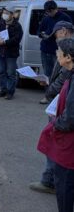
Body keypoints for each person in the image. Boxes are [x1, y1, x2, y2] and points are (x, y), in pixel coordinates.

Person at [30, 21, 74, 194]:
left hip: (62, 110)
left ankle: (51, 182)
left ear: (63, 31)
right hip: (59, 105)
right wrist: (48, 82)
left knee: (57, 144)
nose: (55, 39)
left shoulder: (69, 51)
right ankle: (51, 180)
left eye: (56, 34)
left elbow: (62, 80)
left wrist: (49, 90)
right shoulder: (66, 50)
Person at [37, 38, 74, 212]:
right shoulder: (70, 74)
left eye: (59, 52)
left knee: (65, 187)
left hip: (69, 145)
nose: (56, 54)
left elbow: (70, 118)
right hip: (67, 142)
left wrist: (55, 123)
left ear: (68, 57)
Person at [0, 6, 23, 100]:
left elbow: (17, 39)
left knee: (10, 73)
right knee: (1, 71)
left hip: (11, 53)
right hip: (0, 52)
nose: (4, 14)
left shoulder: (17, 26)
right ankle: (3, 90)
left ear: (12, 15)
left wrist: (5, 42)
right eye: (4, 12)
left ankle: (10, 92)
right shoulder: (0, 22)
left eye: (7, 13)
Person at [38, 0, 72, 83]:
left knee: (57, 74)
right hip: (45, 50)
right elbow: (39, 31)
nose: (49, 13)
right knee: (47, 74)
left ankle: (56, 90)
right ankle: (48, 90)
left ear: (55, 9)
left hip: (58, 51)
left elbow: (70, 33)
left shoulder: (65, 18)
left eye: (50, 11)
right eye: (47, 12)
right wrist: (42, 34)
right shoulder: (46, 18)